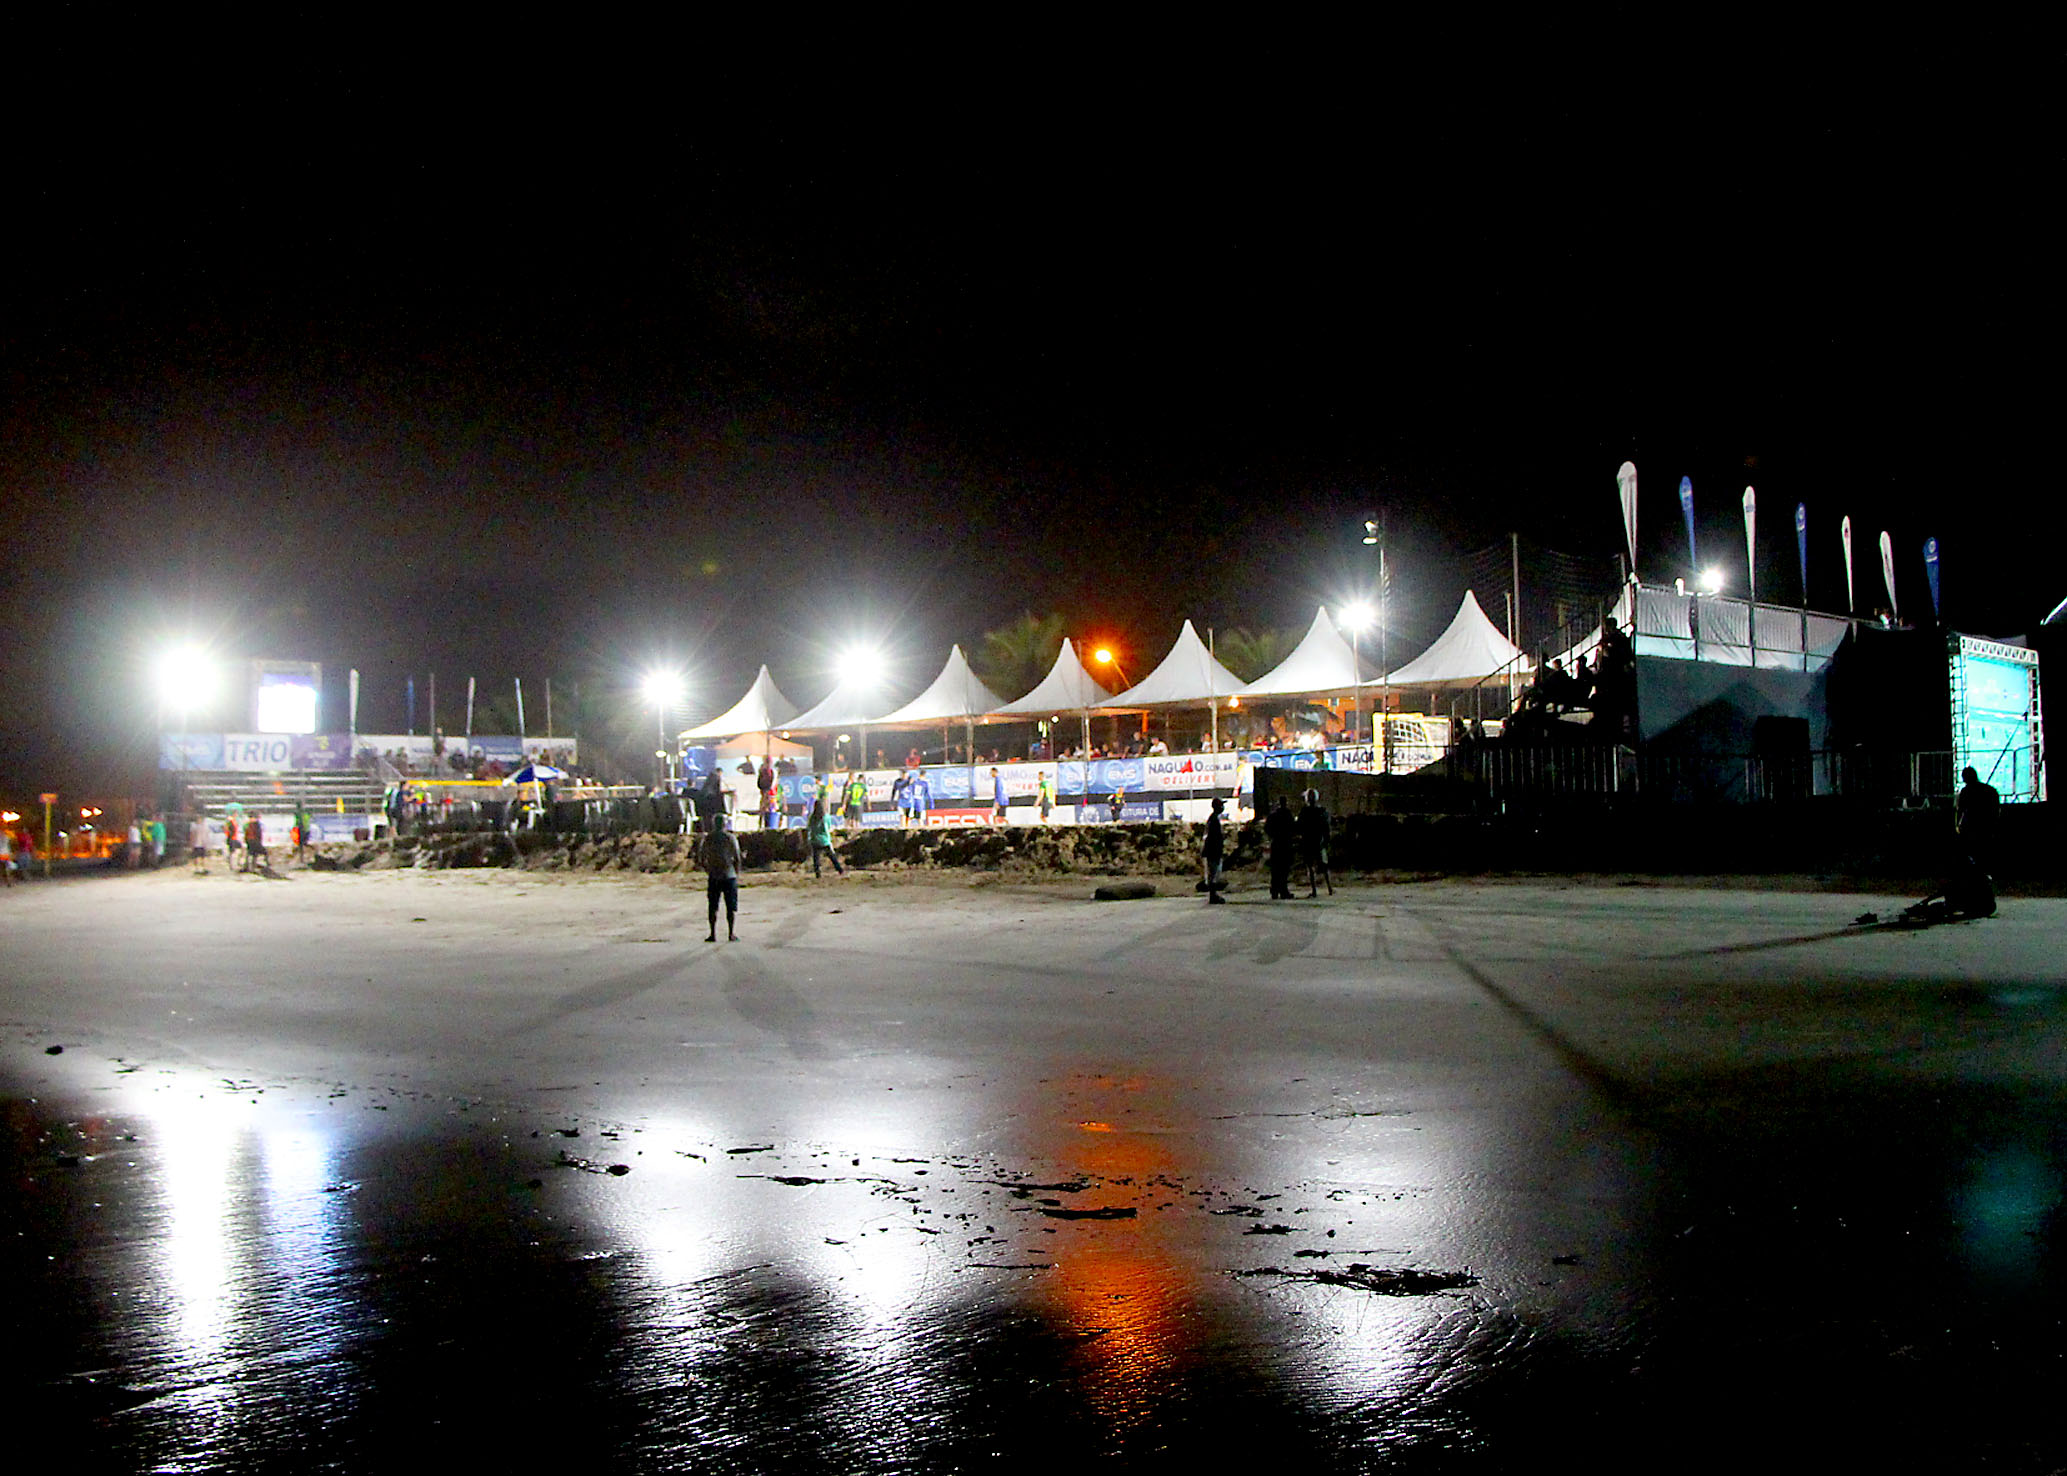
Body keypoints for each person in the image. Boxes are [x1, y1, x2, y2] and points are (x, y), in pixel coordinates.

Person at [699, 814, 741, 941]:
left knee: (713, 906)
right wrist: (736, 872)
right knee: (731, 907)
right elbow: (737, 857)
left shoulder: (708, 838)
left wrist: (708, 870)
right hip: (729, 875)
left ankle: (713, 933)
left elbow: (701, 857)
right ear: (724, 824)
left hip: (714, 875)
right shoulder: (730, 838)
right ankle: (731, 933)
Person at [1955, 765, 2001, 873]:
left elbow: (1960, 810)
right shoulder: (1990, 790)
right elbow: (1996, 809)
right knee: (1985, 850)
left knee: (1971, 850)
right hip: (1987, 825)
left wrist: (1957, 824)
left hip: (1971, 825)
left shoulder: (1965, 791)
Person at [1297, 788, 1333, 897]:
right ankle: (1329, 888)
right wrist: (1326, 840)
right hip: (1319, 841)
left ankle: (1314, 890)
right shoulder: (1322, 811)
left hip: (1308, 841)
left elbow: (1299, 826)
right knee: (1324, 866)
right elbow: (1326, 827)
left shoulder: (1304, 812)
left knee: (1310, 867)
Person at [1264, 796, 1297, 899]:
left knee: (1275, 869)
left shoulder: (1273, 815)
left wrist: (1273, 836)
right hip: (1286, 844)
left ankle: (1274, 890)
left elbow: (1267, 828)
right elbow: (1293, 828)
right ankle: (1283, 890)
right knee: (1284, 869)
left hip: (1276, 844)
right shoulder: (1288, 815)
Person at [806, 799, 845, 878]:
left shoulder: (812, 817)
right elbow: (827, 829)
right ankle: (840, 870)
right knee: (832, 856)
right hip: (824, 840)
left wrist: (809, 838)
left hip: (814, 839)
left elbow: (809, 828)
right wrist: (829, 841)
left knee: (816, 858)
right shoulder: (826, 817)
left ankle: (818, 874)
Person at [1202, 798, 1228, 903]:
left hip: (1212, 851)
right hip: (1213, 851)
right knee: (1214, 874)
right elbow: (1214, 838)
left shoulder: (1213, 819)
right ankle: (1213, 895)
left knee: (1214, 873)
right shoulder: (1214, 820)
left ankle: (1213, 895)